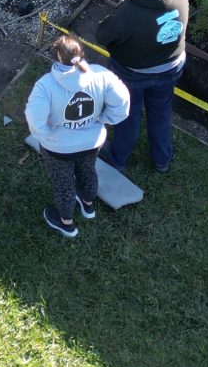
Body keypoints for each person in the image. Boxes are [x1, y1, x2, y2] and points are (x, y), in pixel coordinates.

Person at [24, 35, 130, 238]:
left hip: (58, 149)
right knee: (88, 171)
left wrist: (46, 135)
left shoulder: (45, 86)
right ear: (81, 54)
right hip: (92, 142)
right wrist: (105, 119)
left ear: (58, 56)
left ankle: (67, 223)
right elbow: (122, 102)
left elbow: (35, 119)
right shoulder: (101, 75)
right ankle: (88, 206)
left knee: (63, 183)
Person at [96, 0, 189, 175]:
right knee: (161, 112)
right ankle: (162, 160)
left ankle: (118, 159)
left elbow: (103, 36)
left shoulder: (127, 13)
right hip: (170, 68)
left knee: (128, 114)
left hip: (132, 75)